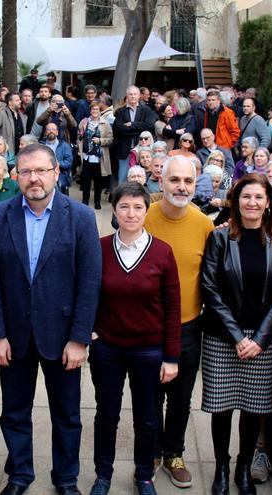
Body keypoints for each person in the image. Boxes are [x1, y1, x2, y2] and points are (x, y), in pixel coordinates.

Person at [0, 144, 101, 495]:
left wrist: (79, 338)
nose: (34, 178)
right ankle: (19, 475)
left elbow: (89, 282)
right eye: (26, 171)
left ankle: (65, 478)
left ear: (56, 173)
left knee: (67, 416)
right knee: (14, 412)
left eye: (41, 171)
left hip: (62, 338)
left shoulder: (79, 217)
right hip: (13, 337)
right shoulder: (0, 217)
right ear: (17, 174)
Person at [200, 173, 272, 495]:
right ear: (235, 201)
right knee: (222, 407)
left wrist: (259, 338)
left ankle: (243, 466)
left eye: (258, 197)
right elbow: (210, 289)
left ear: (268, 203)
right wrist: (238, 337)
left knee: (253, 409)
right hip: (223, 337)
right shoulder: (220, 238)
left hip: (262, 340)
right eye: (245, 196)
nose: (252, 203)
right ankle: (221, 468)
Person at [89, 181, 181, 495]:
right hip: (108, 349)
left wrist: (171, 356)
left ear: (146, 210)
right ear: (114, 210)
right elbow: (87, 293)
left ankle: (144, 475)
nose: (131, 213)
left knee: (147, 419)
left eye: (138, 207)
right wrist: (88, 331)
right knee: (106, 416)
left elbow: (172, 307)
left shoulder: (162, 252)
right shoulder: (99, 248)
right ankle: (103, 475)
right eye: (124, 206)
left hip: (149, 351)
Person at [143, 156, 215, 489]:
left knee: (181, 397)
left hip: (188, 326)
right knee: (150, 395)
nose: (181, 187)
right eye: (175, 180)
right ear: (162, 180)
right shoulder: (144, 217)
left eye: (187, 181)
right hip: (148, 326)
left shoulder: (204, 225)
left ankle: (174, 452)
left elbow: (211, 278)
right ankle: (152, 451)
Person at [113, 86, 158, 183]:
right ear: (127, 96)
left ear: (139, 96)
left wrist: (131, 125)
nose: (133, 96)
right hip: (124, 150)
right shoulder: (120, 112)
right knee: (123, 179)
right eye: (130, 94)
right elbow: (119, 128)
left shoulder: (146, 110)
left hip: (142, 149)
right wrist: (138, 129)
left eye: (135, 94)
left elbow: (148, 125)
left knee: (140, 179)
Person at [78, 104, 113, 208]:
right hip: (86, 156)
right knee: (86, 180)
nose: (94, 111)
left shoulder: (105, 123)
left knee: (98, 181)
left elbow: (110, 139)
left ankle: (97, 201)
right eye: (93, 109)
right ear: (90, 110)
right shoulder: (84, 122)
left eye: (97, 109)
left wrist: (100, 141)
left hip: (99, 158)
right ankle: (85, 200)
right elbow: (79, 136)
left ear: (100, 111)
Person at [0, 92, 27, 157]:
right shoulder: (2, 114)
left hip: (20, 151)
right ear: (10, 102)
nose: (20, 101)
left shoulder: (22, 115)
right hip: (7, 153)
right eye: (17, 100)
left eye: (20, 100)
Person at [40, 122, 74, 195]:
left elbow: (69, 162)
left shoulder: (64, 146)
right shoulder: (41, 146)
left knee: (58, 185)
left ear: (57, 132)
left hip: (60, 173)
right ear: (45, 132)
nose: (51, 131)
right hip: (43, 172)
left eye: (53, 129)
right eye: (49, 129)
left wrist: (58, 163)